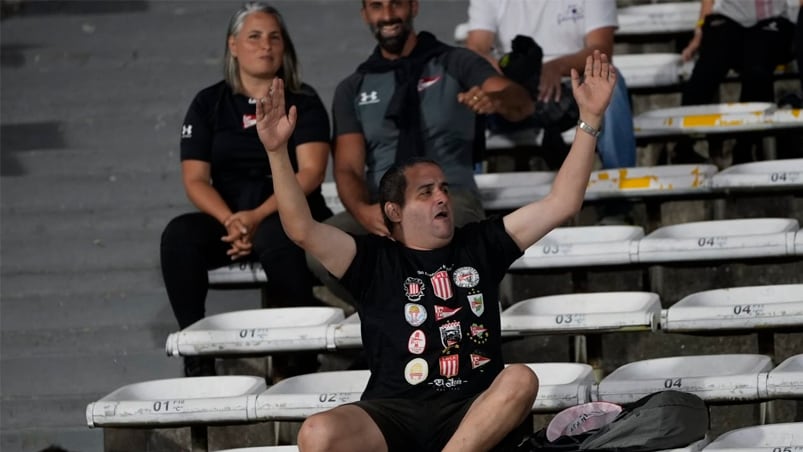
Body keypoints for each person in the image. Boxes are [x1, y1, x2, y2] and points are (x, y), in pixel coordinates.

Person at [255, 49, 616, 451]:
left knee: (520, 379)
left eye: (443, 188)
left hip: (473, 412)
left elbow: (562, 202)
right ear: (395, 210)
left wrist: (591, 121)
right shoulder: (373, 259)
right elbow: (301, 229)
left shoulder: (480, 244)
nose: (441, 197)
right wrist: (276, 152)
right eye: (426, 193)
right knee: (316, 433)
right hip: (394, 413)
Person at [309, 0, 535, 305]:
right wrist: (364, 212)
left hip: (450, 196)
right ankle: (396, 317)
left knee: (442, 244)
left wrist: (495, 100)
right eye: (377, 6)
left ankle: (433, 321)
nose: (387, 15)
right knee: (318, 251)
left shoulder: (456, 61)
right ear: (365, 15)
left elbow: (520, 102)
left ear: (414, 7)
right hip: (386, 205)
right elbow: (348, 168)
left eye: (396, 4)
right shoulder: (353, 87)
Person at [159, 2, 332, 377]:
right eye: (254, 36)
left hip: (288, 211)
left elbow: (312, 173)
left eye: (274, 37)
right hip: (230, 215)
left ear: (284, 47)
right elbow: (195, 180)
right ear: (233, 46)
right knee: (179, 236)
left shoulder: (304, 100)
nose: (265, 45)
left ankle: (300, 357)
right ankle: (197, 354)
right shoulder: (209, 103)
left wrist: (256, 217)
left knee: (281, 234)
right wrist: (232, 221)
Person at [465, 0, 637, 172]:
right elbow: (476, 49)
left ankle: (620, 180)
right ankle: (466, 191)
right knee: (467, 93)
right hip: (510, 92)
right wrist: (513, 76)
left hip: (571, 88)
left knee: (609, 80)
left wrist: (557, 67)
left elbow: (602, 49)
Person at [679, 0, 796, 163]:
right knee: (707, 68)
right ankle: (682, 147)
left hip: (773, 19)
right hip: (729, 17)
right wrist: (700, 30)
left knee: (757, 68)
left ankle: (744, 148)